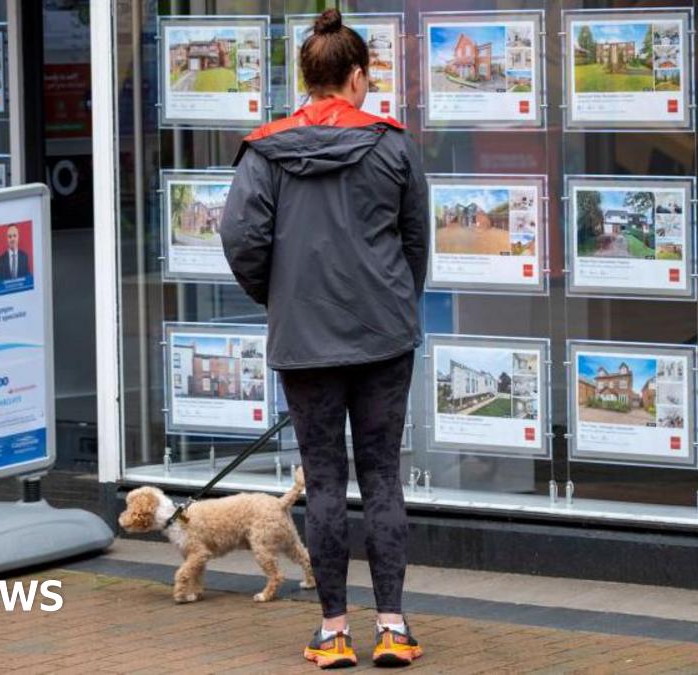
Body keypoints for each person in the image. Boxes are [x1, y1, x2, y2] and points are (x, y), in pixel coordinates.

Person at [220, 7, 427, 669]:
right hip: (383, 336)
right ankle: (393, 626)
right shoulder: (393, 144)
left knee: (326, 482)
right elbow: (415, 241)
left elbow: (240, 239)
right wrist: (394, 301)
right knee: (384, 477)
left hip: (305, 339)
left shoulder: (265, 149)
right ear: (357, 78)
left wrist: (279, 297)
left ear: (307, 77)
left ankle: (333, 630)